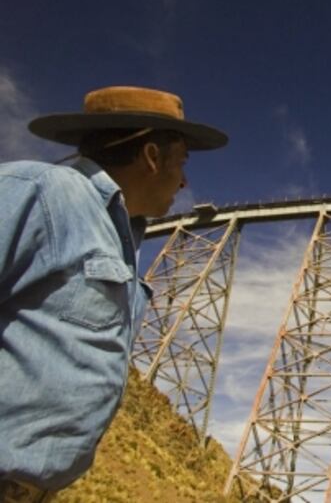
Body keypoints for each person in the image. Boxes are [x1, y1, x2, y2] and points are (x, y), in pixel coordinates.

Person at [0, 86, 227, 500]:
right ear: (152, 158)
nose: (186, 180)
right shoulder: (39, 191)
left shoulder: (122, 238)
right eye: (182, 162)